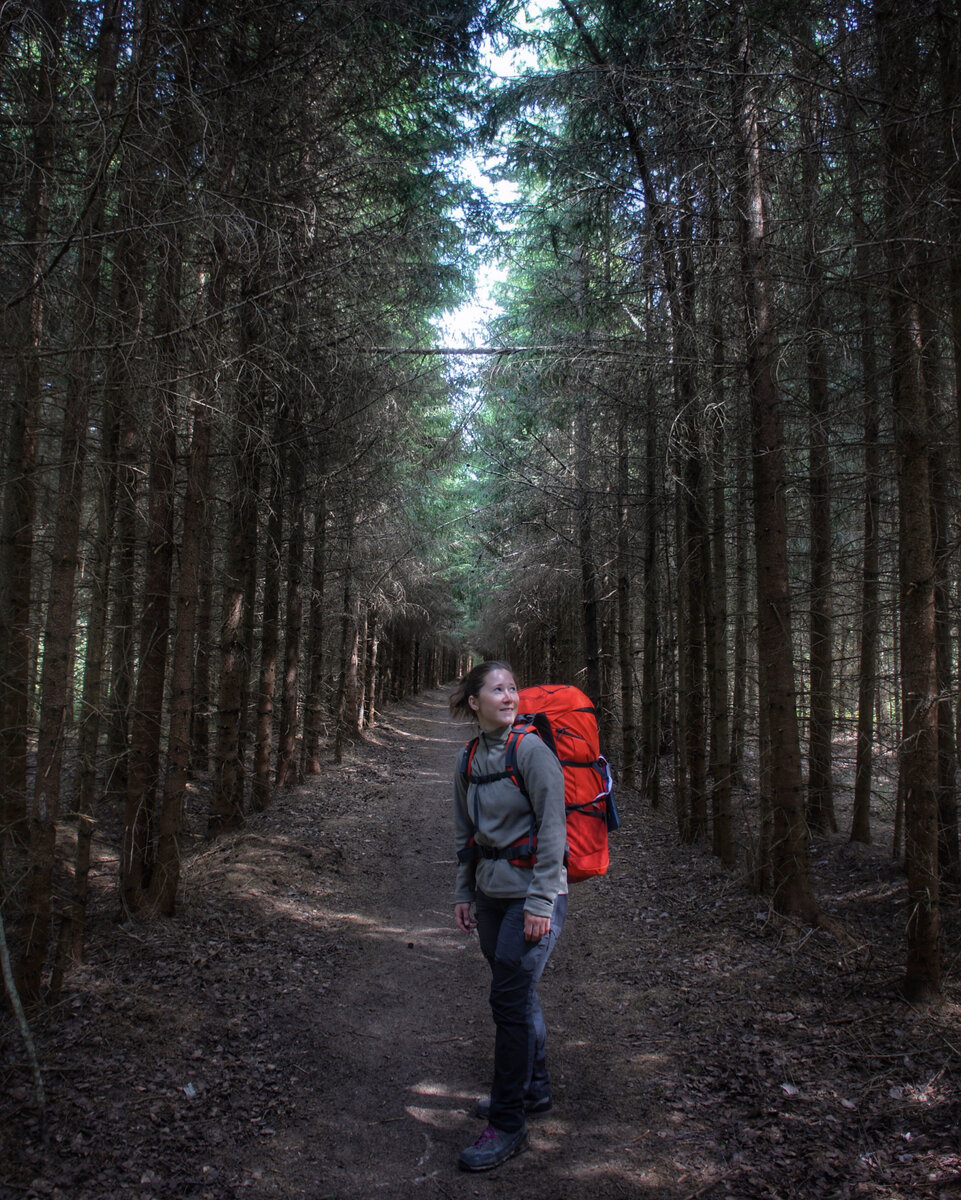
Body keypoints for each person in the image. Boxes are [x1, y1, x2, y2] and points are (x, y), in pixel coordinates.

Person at [450, 660, 568, 1172]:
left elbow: (555, 831)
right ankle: (533, 1090)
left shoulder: (533, 751)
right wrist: (464, 892)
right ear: (474, 702)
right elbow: (465, 834)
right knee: (517, 994)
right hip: (491, 895)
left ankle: (508, 1121)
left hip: (534, 897)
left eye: (513, 688)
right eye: (497, 689)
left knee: (508, 1001)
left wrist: (541, 902)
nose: (509, 696)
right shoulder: (468, 757)